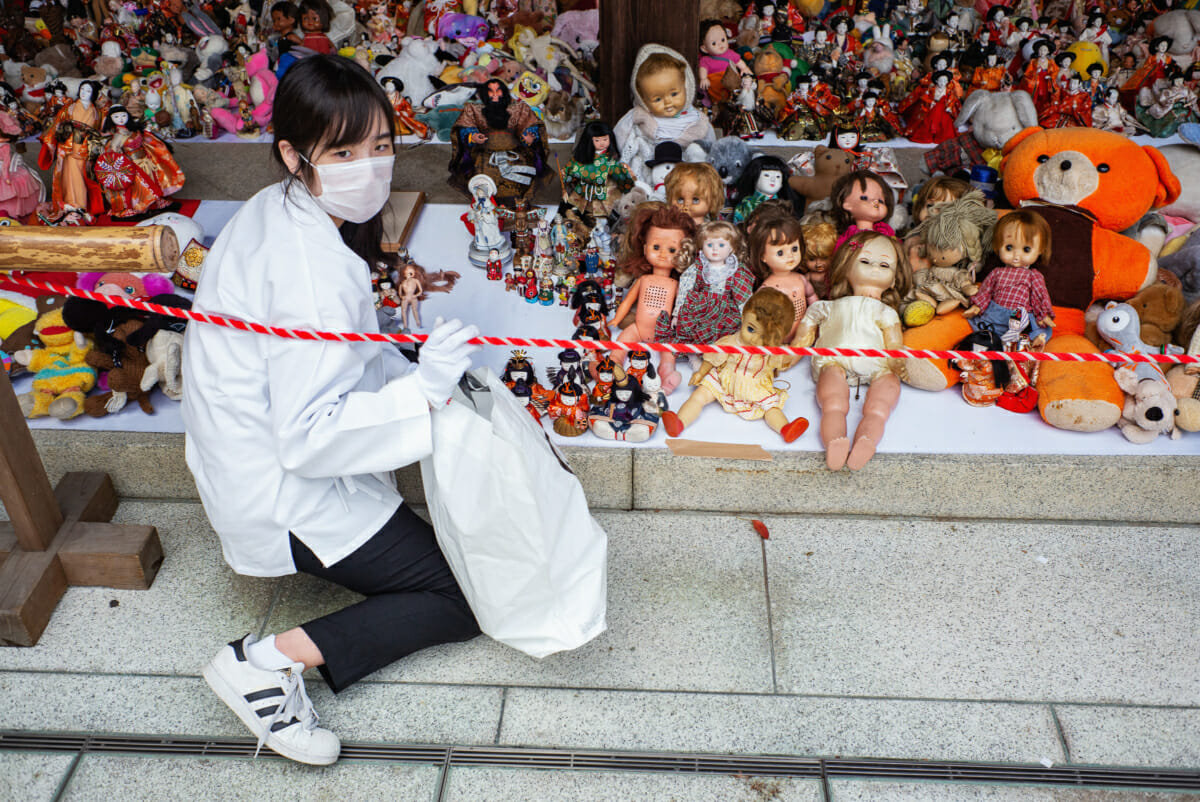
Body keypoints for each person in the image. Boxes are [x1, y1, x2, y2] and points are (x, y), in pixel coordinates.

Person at [182, 55, 482, 767]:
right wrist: (423, 390)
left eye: (380, 147)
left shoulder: (277, 206)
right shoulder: (312, 271)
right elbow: (308, 438)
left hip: (249, 443)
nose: (369, 168)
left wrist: (389, 345)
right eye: (343, 153)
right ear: (293, 153)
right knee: (458, 598)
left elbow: (323, 359)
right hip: (283, 484)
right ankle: (265, 663)